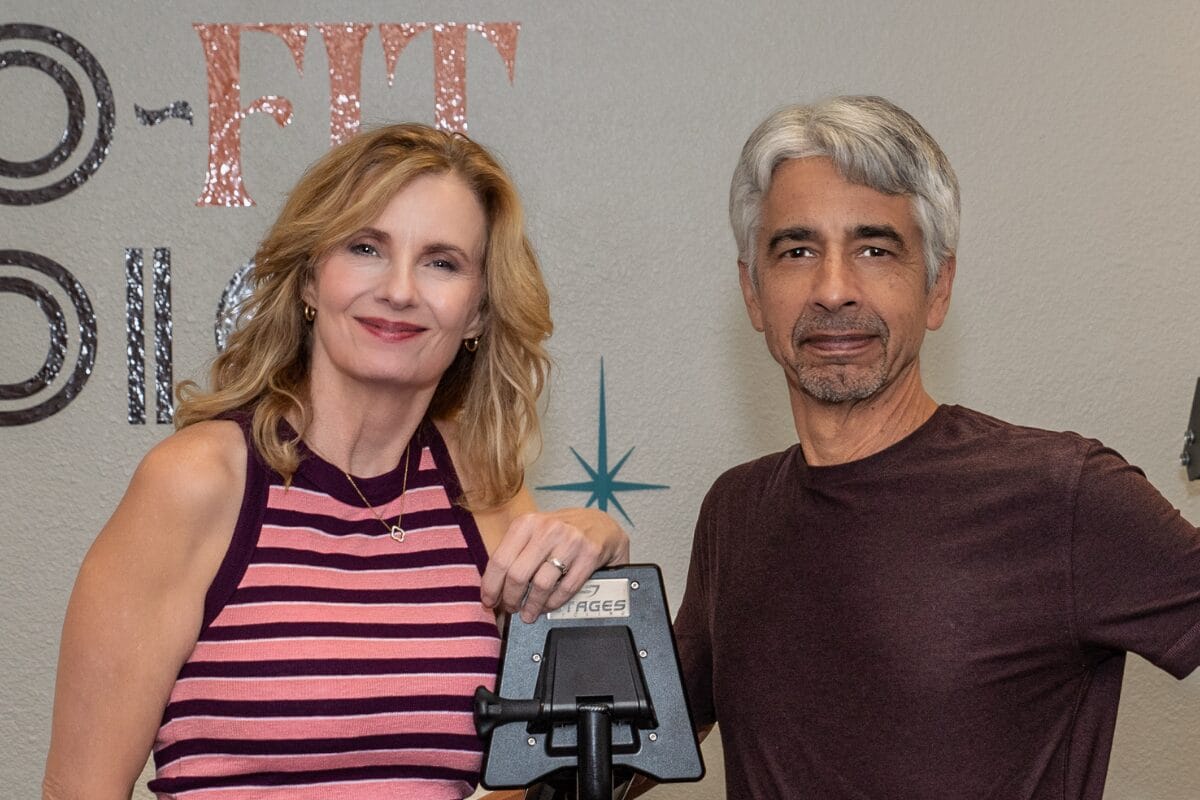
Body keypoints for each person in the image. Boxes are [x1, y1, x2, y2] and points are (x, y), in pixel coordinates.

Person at [43, 123, 629, 800]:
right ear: (309, 282)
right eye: (366, 248)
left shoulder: (483, 490)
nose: (401, 290)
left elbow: (539, 775)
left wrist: (598, 542)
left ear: (477, 313)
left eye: (442, 262)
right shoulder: (200, 481)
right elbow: (77, 791)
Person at [670, 96, 1200, 798]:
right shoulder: (735, 510)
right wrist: (573, 568)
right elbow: (640, 743)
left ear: (938, 287)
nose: (833, 289)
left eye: (874, 248)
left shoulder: (1061, 492)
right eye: (797, 250)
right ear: (753, 293)